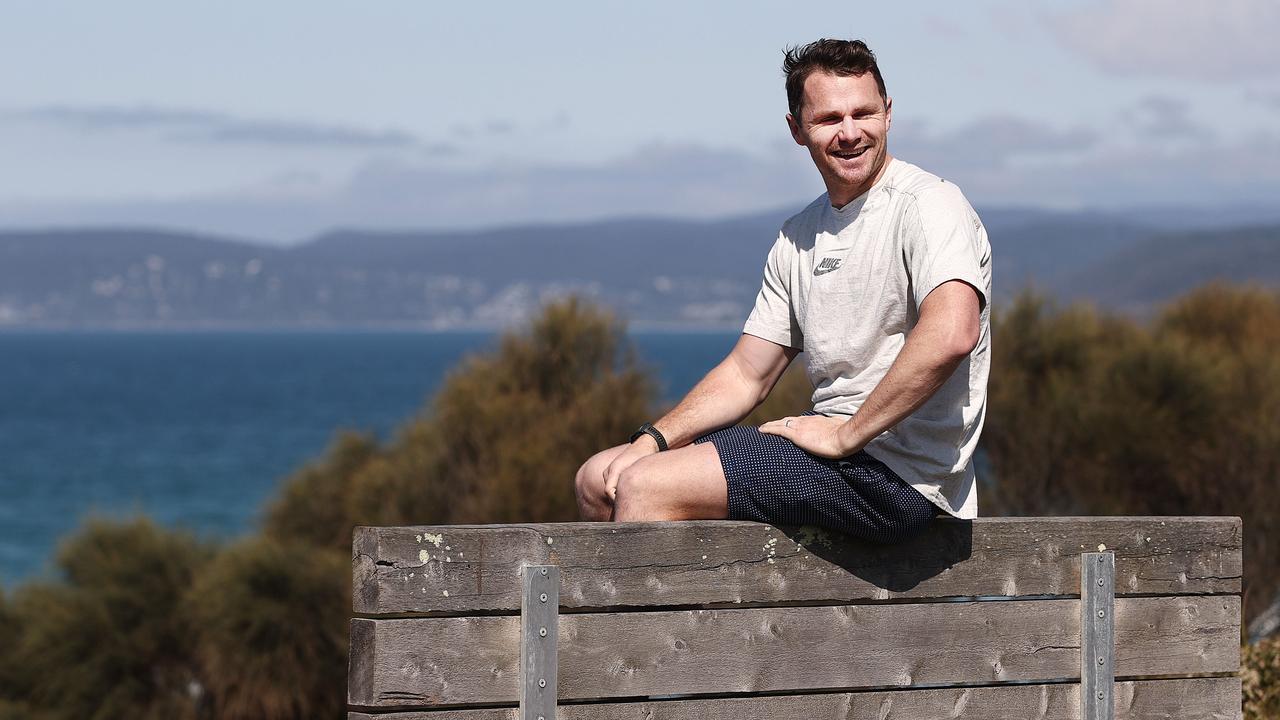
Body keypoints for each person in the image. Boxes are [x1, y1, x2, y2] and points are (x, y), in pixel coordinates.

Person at [574, 38, 991, 542]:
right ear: (797, 129)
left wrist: (844, 435)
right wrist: (653, 439)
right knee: (601, 477)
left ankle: (653, 626)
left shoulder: (929, 206)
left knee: (646, 488)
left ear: (889, 113)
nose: (850, 133)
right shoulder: (799, 235)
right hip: (834, 455)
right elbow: (747, 374)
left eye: (864, 113)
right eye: (829, 119)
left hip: (900, 476)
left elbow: (952, 332)